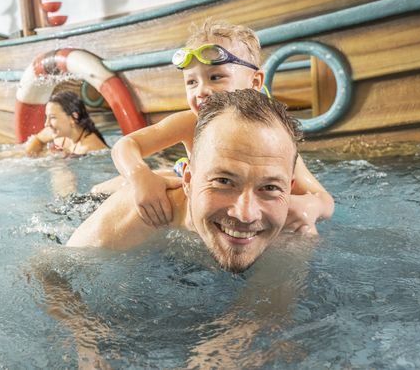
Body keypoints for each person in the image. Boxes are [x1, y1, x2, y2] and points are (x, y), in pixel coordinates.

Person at [93, 19, 334, 234]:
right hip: (188, 181)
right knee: (113, 188)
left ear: (255, 81)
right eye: (191, 82)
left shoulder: (270, 137)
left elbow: (323, 198)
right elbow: (126, 145)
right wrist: (139, 176)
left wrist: (310, 206)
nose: (201, 91)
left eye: (215, 77)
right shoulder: (189, 122)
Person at [68, 89, 303, 273]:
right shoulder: (145, 213)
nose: (246, 214)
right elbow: (52, 272)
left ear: (289, 190)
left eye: (270, 187)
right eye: (224, 181)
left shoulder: (293, 230)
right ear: (188, 181)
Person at [24, 90, 109, 157]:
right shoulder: (61, 134)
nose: (46, 124)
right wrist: (31, 156)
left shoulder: (90, 149)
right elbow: (38, 139)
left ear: (73, 117)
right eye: (47, 117)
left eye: (53, 117)